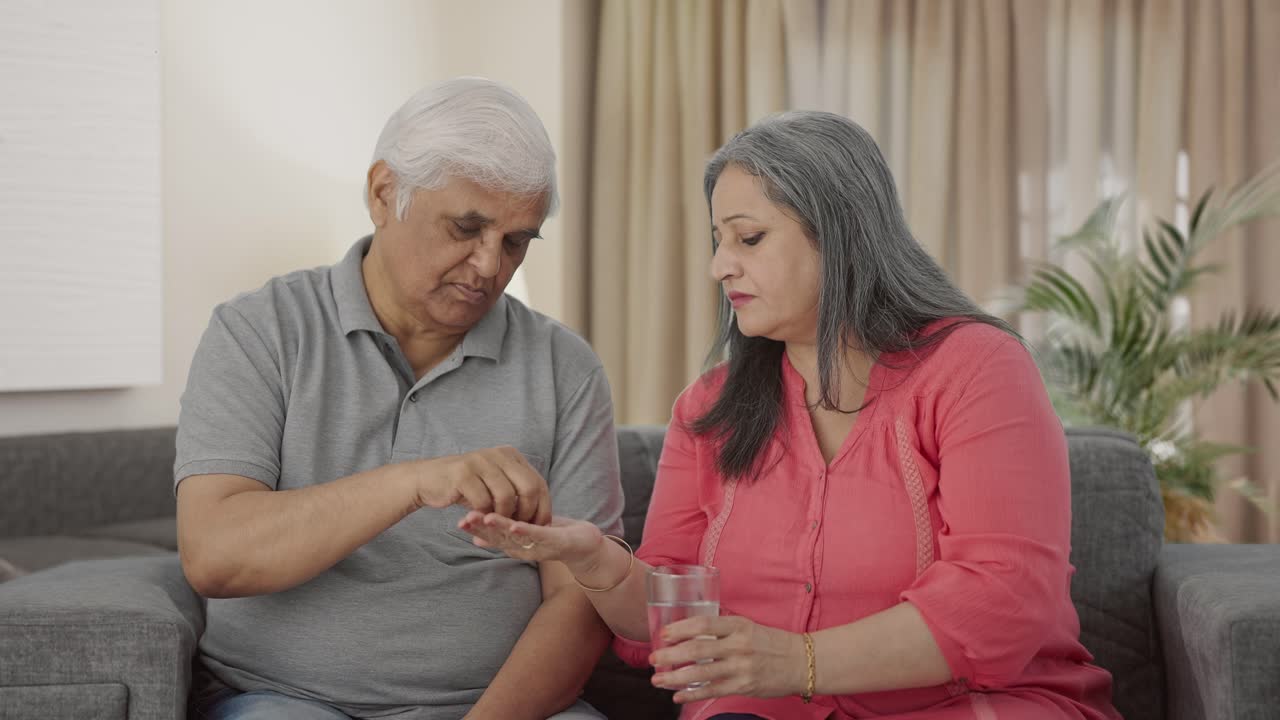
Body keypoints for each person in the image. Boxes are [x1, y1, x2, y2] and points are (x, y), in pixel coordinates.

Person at [461, 111, 1122, 720]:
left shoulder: (978, 369)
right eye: (719, 241)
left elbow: (1002, 601)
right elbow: (674, 625)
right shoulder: (710, 408)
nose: (721, 266)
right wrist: (601, 564)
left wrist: (795, 661)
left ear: (841, 233)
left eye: (748, 238)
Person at [175, 77, 623, 720]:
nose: (489, 266)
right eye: (466, 227)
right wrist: (413, 483)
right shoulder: (257, 331)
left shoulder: (566, 368)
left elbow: (578, 604)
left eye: (517, 240)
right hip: (283, 701)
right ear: (384, 193)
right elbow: (215, 556)